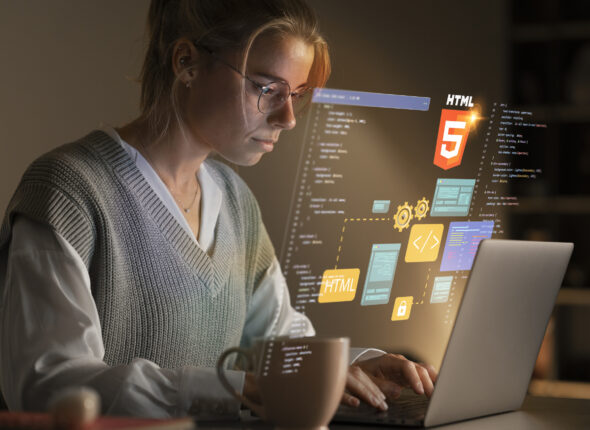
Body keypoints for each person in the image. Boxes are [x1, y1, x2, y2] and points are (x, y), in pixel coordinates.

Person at [0, 0, 435, 418]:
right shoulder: (69, 190)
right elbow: (49, 385)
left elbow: (282, 344)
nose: (288, 117)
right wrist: (227, 389)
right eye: (267, 88)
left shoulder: (235, 202)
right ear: (186, 62)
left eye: (296, 94)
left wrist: (356, 366)